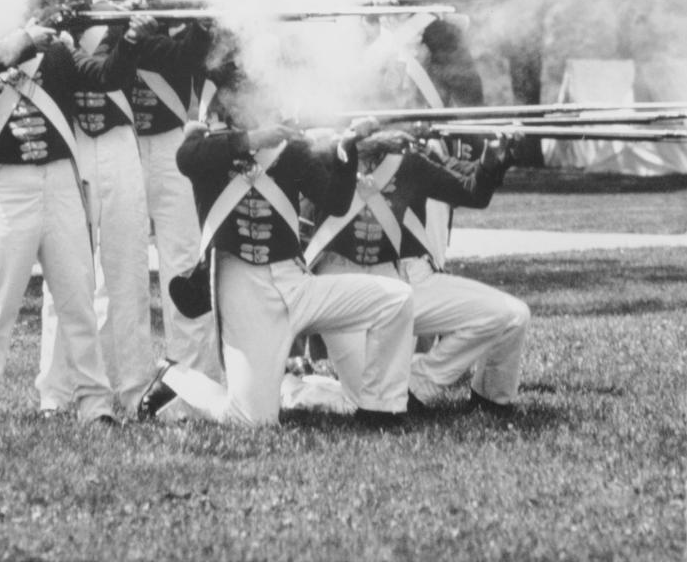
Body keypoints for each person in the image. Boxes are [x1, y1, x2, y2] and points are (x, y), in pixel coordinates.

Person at [136, 106, 415, 428]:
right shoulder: (206, 145)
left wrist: (347, 147)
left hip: (295, 281)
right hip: (244, 292)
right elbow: (188, 158)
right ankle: (174, 377)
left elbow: (336, 203)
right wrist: (252, 139)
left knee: (397, 299)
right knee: (251, 421)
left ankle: (381, 411)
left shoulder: (291, 151)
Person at [0, 13, 151, 425]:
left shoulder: (56, 54)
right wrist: (21, 41)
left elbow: (107, 76)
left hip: (60, 181)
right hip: (9, 186)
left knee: (78, 298)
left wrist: (130, 38)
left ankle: (95, 403)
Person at [305, 126, 530, 419]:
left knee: (511, 314)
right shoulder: (324, 153)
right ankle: (292, 388)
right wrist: (360, 141)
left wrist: (490, 161)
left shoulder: (409, 161)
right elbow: (305, 146)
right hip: (338, 281)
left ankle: (430, 386)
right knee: (366, 401)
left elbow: (471, 191)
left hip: (396, 279)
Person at [37, 15, 154, 418]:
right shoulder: (54, 36)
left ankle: (136, 387)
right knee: (64, 273)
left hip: (119, 143)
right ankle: (55, 392)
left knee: (129, 271)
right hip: (74, 141)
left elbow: (117, 72)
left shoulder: (125, 29)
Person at [129, 20, 221, 377]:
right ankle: (126, 378)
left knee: (184, 259)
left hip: (172, 140)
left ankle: (195, 375)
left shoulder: (184, 25)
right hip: (121, 141)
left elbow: (190, 59)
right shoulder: (105, 20)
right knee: (117, 270)